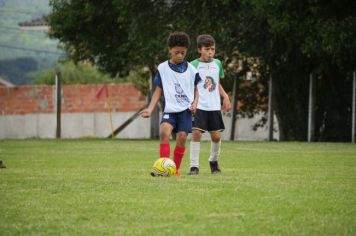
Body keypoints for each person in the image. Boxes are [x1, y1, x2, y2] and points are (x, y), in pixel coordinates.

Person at [140, 32, 201, 176]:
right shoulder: (162, 68)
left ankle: (175, 170)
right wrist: (149, 109)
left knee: (181, 137)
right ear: (170, 50)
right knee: (164, 132)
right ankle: (163, 167)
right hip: (170, 109)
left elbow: (197, 89)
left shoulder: (192, 70)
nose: (180, 55)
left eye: (183, 53)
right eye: (176, 52)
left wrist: (195, 103)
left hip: (186, 111)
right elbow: (157, 90)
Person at [188, 34, 231, 175]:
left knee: (216, 137)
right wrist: (192, 102)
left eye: (212, 49)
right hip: (199, 106)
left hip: (214, 106)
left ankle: (214, 162)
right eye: (207, 49)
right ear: (199, 49)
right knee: (196, 133)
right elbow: (190, 86)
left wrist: (225, 97)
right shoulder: (193, 65)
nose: (210, 52)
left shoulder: (217, 64)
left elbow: (217, 83)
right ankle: (194, 166)